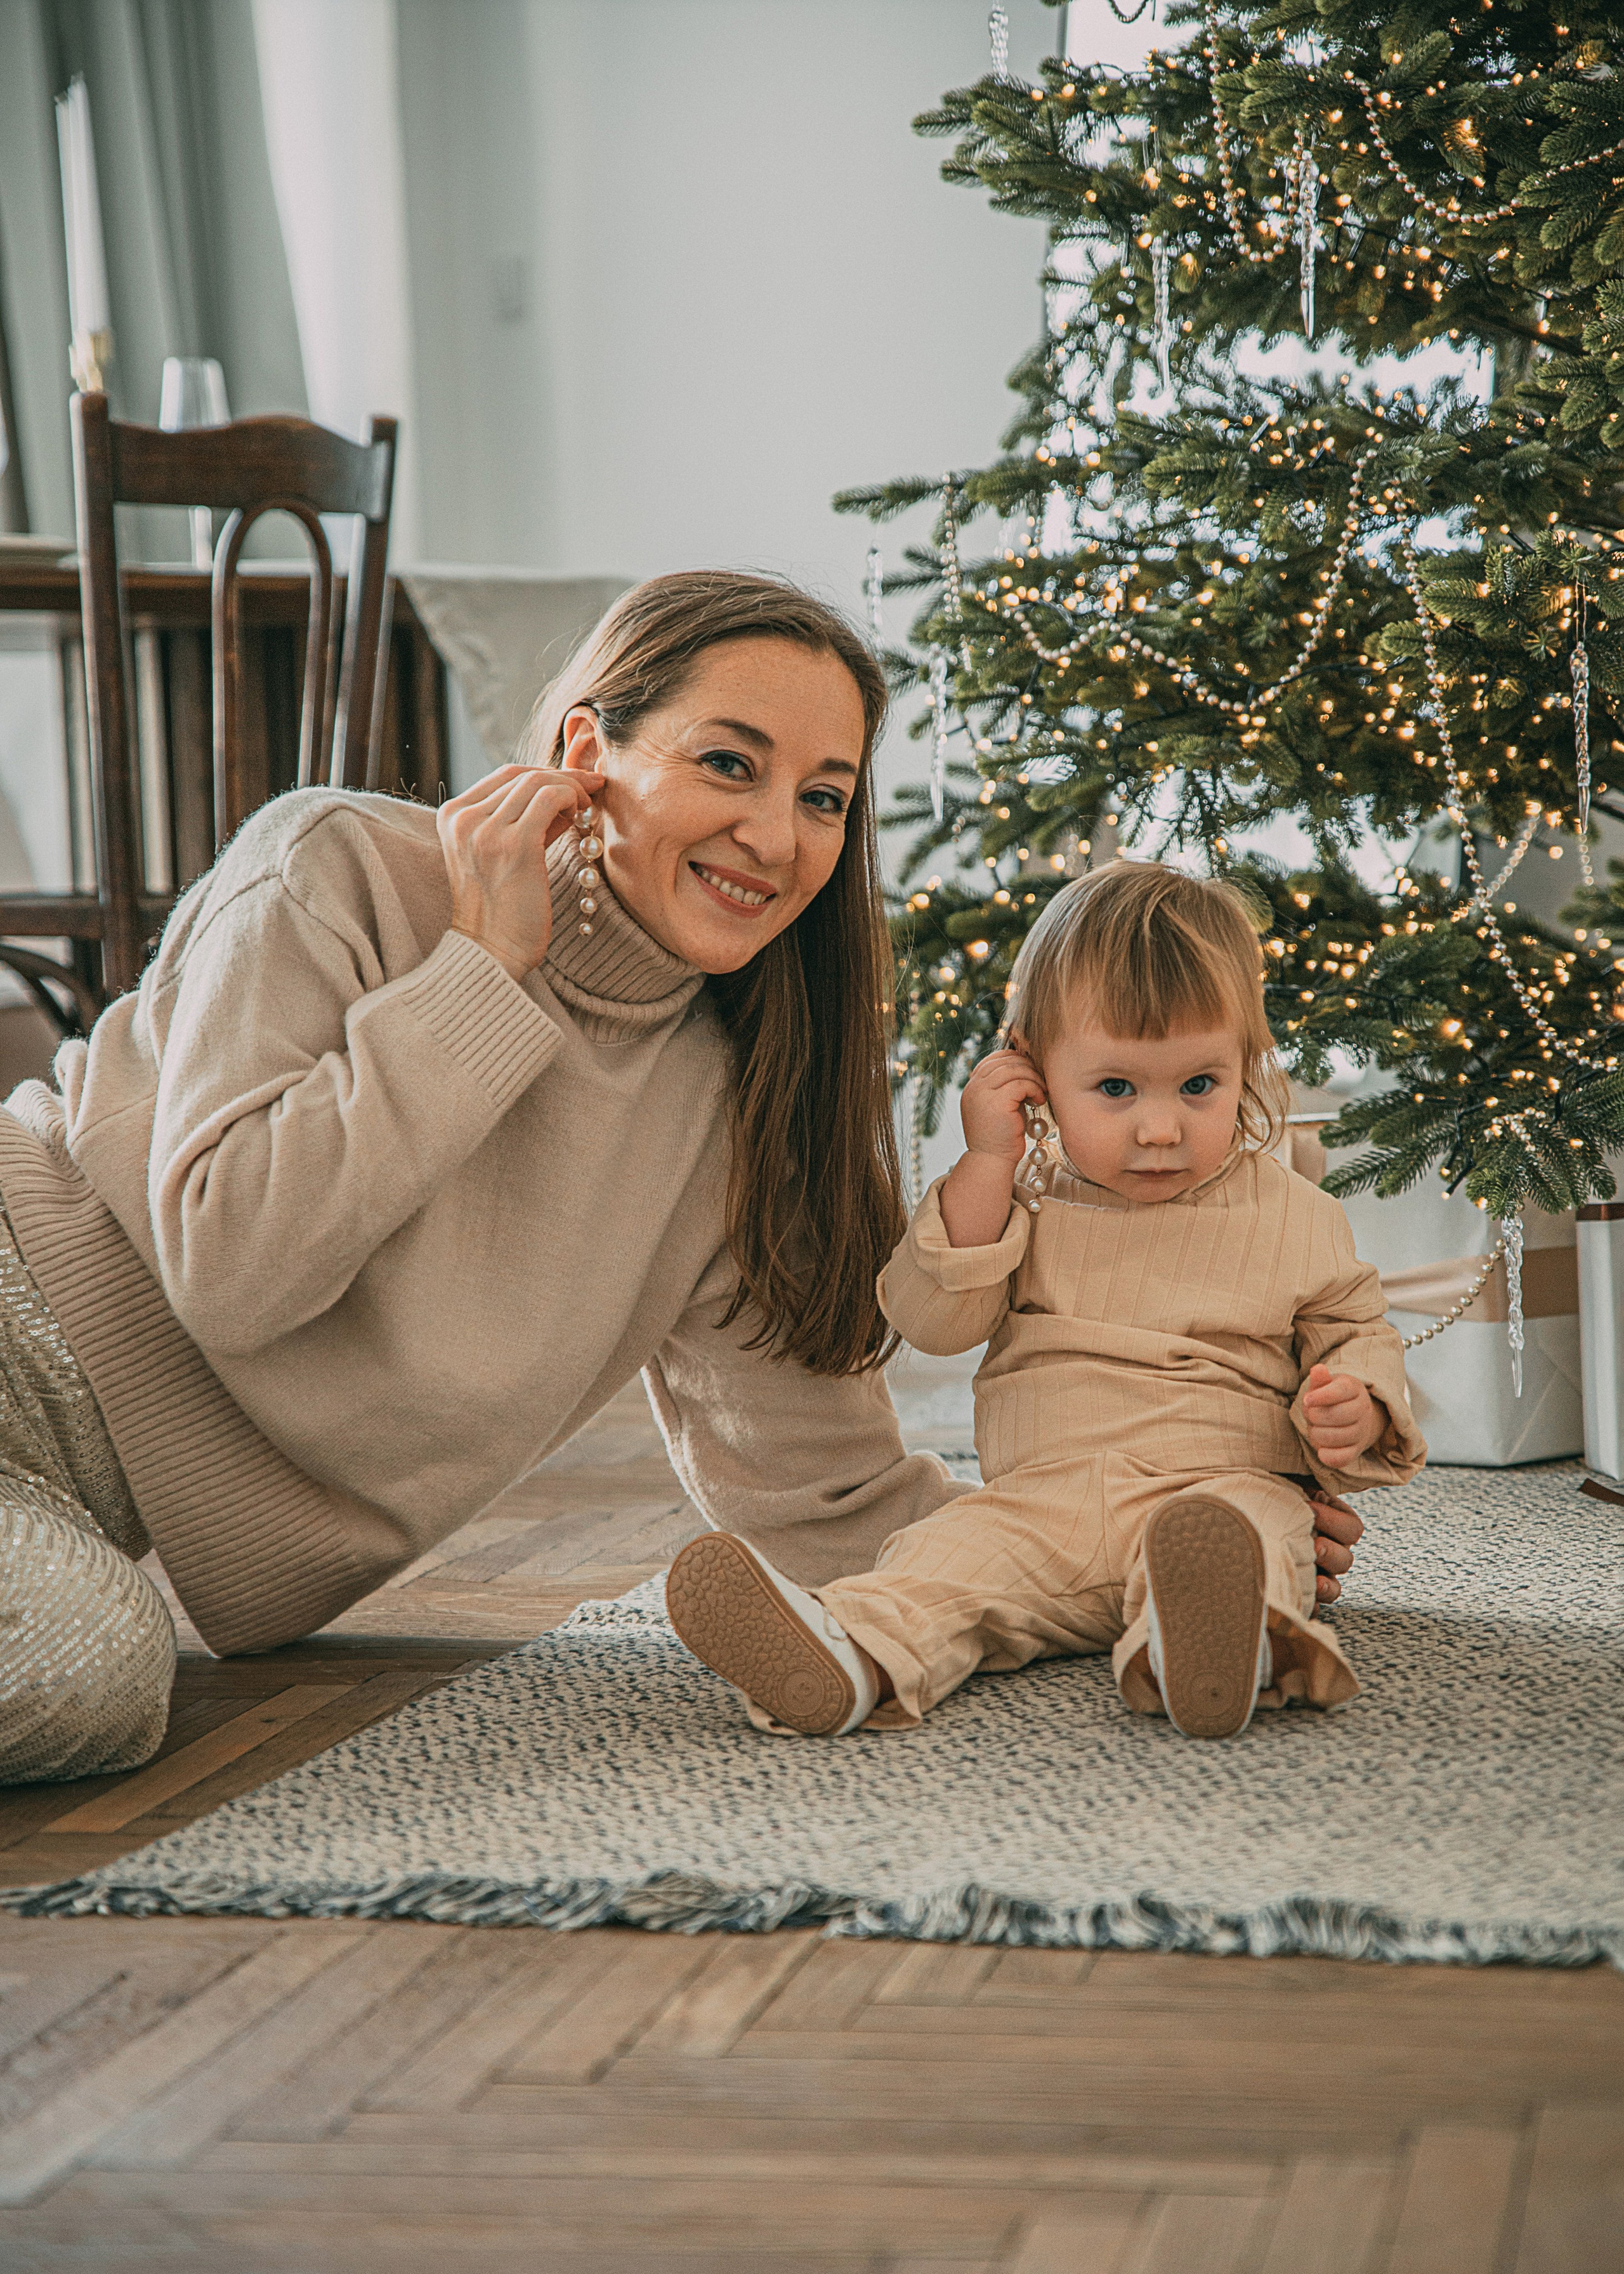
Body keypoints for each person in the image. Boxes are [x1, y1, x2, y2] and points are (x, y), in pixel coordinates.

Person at [0, 575, 1364, 1785]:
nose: (776, 836)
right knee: (94, 1669)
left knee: (94, 1671)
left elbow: (827, 1498)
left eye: (822, 797)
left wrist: (1145, 1530)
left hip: (69, 1498)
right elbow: (234, 1267)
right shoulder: (340, 868)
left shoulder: (740, 1097)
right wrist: (481, 973)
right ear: (587, 752)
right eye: (728, 764)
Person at [667, 860, 1420, 1741]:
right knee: (939, 1560)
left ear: (1246, 1064)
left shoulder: (1294, 1212)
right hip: (1039, 1506)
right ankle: (852, 1655)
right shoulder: (1021, 1192)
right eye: (1115, 1089)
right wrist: (988, 1161)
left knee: (1254, 1543)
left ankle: (1207, 1648)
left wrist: (1360, 1405)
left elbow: (1355, 1330)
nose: (1160, 1129)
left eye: (1199, 1086)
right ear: (1033, 1069)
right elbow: (933, 1321)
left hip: (1219, 1491)